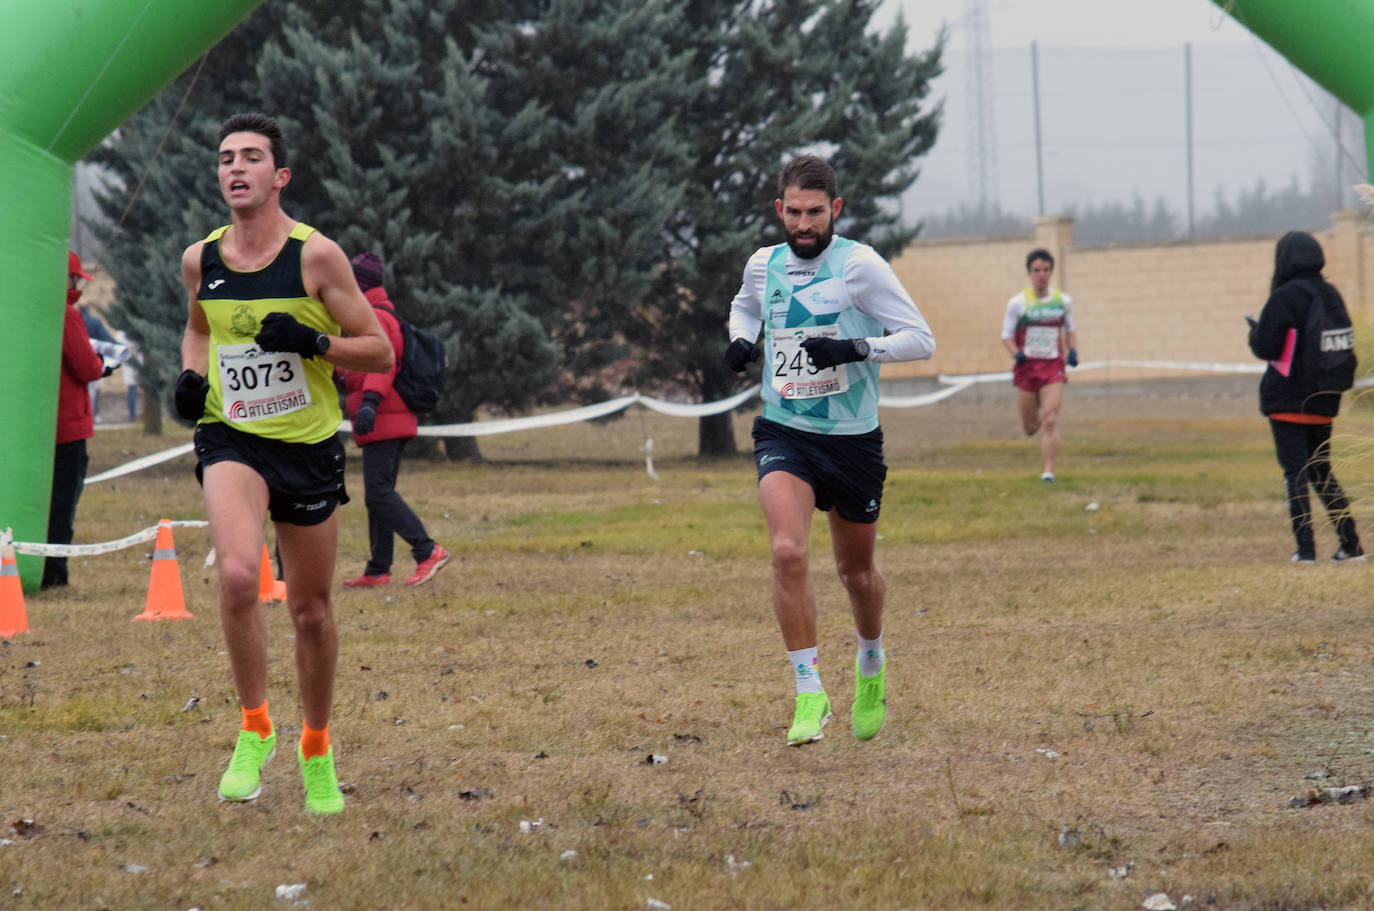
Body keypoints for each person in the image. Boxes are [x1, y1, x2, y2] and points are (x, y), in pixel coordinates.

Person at [173, 112, 394, 815]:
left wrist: (312, 341)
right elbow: (198, 329)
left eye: (251, 157)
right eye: (225, 158)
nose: (235, 168)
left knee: (309, 611)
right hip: (230, 434)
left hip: (306, 444)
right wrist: (189, 373)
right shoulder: (198, 259)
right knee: (238, 576)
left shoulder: (315, 256)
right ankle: (254, 726)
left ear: (280, 175)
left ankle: (317, 745)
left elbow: (380, 350)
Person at [724, 155, 935, 746]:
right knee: (787, 552)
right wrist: (741, 339)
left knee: (856, 573)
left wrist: (854, 350)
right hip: (785, 430)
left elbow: (921, 339)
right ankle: (808, 692)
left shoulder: (860, 266)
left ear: (835, 210)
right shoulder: (764, 265)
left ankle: (871, 662)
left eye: (815, 212)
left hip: (852, 443)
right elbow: (744, 305)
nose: (804, 224)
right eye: (793, 212)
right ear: (779, 210)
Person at [1248, 231, 1364, 564]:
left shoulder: (1284, 297)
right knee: (1322, 472)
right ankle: (1351, 545)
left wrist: (1255, 333)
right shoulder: (1330, 294)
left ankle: (1305, 551)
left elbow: (1266, 347)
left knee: (1294, 474)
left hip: (1287, 400)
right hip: (1324, 401)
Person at [337, 251, 450, 588]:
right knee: (379, 494)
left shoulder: (376, 318)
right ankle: (378, 569)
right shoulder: (369, 316)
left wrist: (370, 403)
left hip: (385, 417)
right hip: (385, 418)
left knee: (379, 493)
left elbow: (383, 364)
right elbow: (356, 365)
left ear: (358, 283)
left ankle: (427, 550)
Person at [42, 252, 108, 590]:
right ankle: (55, 573)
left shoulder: (31, 312)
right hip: (68, 428)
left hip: (38, 430)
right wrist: (101, 362)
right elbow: (87, 367)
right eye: (75, 279)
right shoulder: (67, 316)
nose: (78, 284)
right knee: (62, 503)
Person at [1000, 249, 1078, 482]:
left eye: (1046, 270)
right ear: (1029, 273)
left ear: (1051, 272)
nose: (1041, 275)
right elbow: (1006, 336)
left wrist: (1072, 350)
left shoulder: (1062, 302)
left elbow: (1070, 329)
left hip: (1052, 367)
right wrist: (1017, 354)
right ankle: (1038, 429)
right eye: (1036, 270)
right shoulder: (1018, 303)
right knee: (1030, 427)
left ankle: (1048, 471)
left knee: (1050, 418)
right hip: (1027, 369)